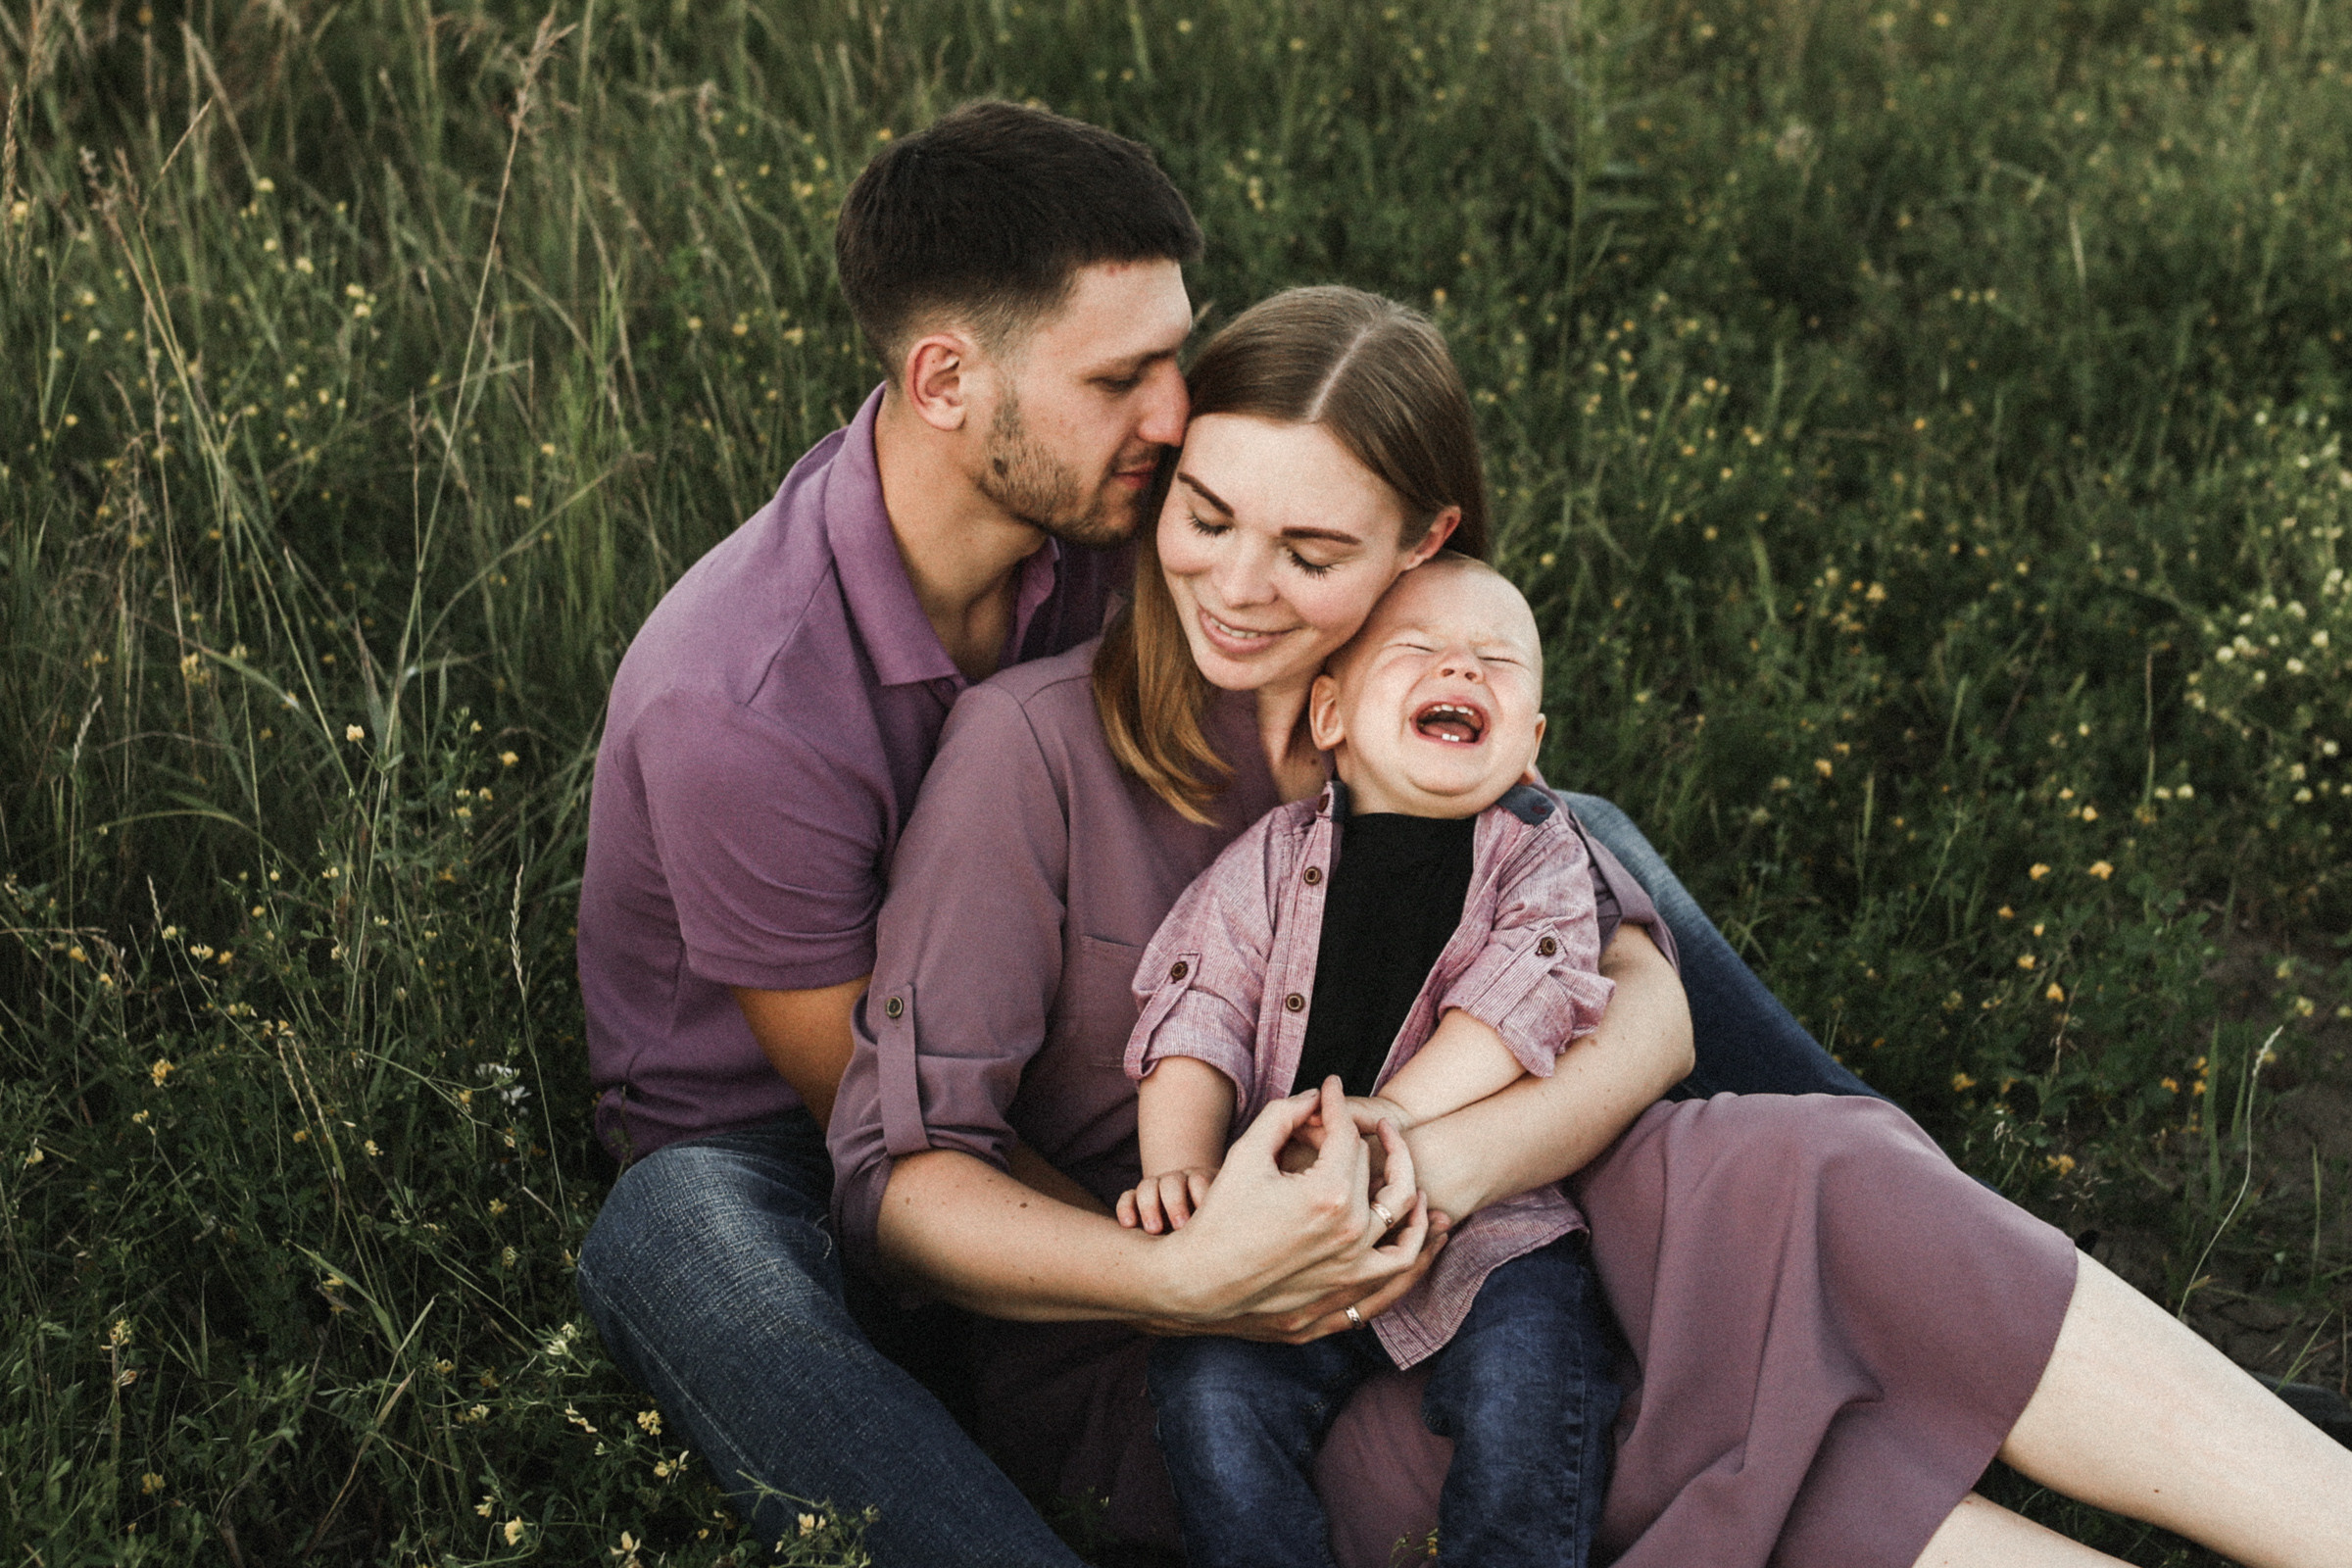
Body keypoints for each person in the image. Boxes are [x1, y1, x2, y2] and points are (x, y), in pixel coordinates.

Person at [827, 285, 2352, 1568]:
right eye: (1207, 517)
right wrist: (1195, 1266)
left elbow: (1647, 1003)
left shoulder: (1444, 721)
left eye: (1309, 556)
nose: (1236, 588)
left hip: (1496, 1209)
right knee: (1621, 1423)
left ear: (1419, 550)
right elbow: (901, 1181)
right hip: (1210, 1335)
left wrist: (1442, 1164)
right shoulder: (1027, 751)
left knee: (1821, 1175)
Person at [1122, 556, 1623, 1568]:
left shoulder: (1541, 852)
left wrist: (1387, 1115)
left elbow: (1522, 995)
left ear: (1529, 744)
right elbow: (1200, 1002)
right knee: (1208, 1390)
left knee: (1536, 1378)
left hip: (1489, 1226)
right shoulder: (1270, 858)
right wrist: (1177, 1163)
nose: (1464, 670)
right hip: (1292, 1227)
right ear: (1330, 715)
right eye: (1419, 651)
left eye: (1496, 661)